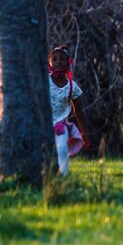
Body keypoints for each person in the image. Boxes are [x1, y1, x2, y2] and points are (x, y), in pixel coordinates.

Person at [48, 45, 90, 176]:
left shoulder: (72, 86)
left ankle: (64, 177)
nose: (58, 61)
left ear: (68, 62)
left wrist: (84, 133)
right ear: (49, 63)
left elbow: (78, 111)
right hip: (44, 124)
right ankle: (46, 177)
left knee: (61, 148)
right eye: (54, 59)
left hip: (61, 125)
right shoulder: (44, 81)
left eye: (62, 59)